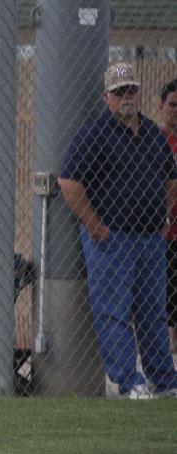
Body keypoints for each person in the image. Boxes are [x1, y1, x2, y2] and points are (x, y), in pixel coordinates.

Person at [58, 63, 177, 399]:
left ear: (139, 93)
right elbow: (68, 182)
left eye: (131, 90)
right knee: (115, 311)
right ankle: (127, 381)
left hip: (151, 238)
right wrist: (94, 226)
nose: (126, 97)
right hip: (112, 239)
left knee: (154, 309)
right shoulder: (93, 134)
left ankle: (164, 380)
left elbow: (171, 178)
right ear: (106, 96)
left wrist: (164, 216)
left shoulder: (153, 134)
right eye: (119, 91)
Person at [158, 79, 177, 353]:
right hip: (163, 233)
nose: (176, 110)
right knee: (166, 295)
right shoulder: (154, 141)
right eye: (172, 104)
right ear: (161, 106)